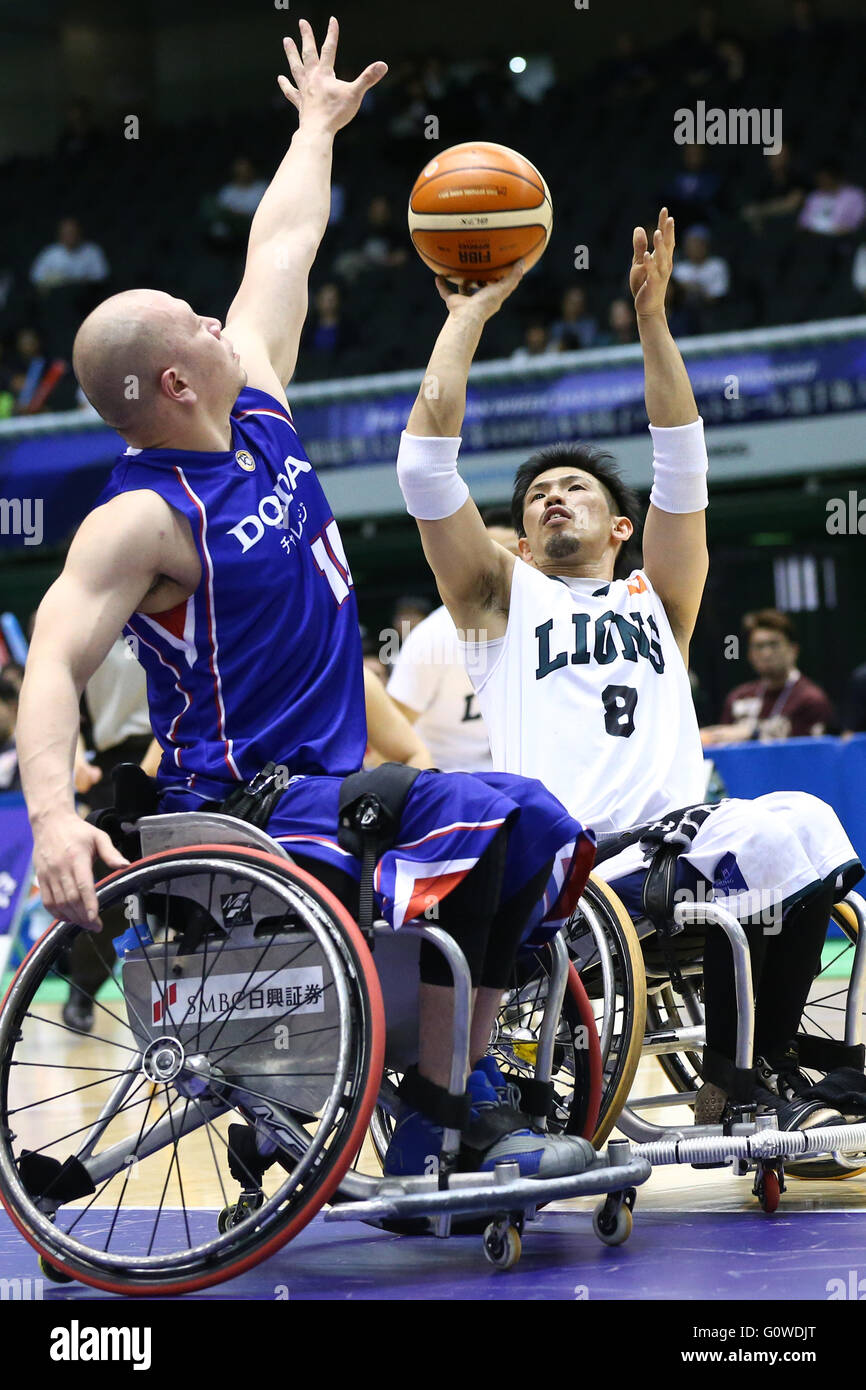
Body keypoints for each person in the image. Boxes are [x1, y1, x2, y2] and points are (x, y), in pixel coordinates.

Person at [16, 20, 593, 1183]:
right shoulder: (143, 518)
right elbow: (52, 658)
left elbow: (280, 244)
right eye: (199, 322)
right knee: (486, 815)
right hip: (247, 805)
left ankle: (455, 1092)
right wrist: (49, 818)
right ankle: (448, 1108)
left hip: (333, 788)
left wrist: (316, 127)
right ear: (174, 379)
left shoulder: (258, 404)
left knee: (530, 820)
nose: (221, 318)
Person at [394, 206, 862, 1126]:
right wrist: (469, 315)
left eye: (574, 488)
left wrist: (653, 323)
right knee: (770, 841)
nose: (552, 498)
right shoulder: (499, 605)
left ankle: (759, 1069)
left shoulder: (661, 600)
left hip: (685, 846)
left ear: (619, 527)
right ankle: (744, 1082)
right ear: (520, 543)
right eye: (537, 495)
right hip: (581, 872)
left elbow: (683, 463)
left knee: (808, 818)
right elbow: (424, 471)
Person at [387, 512, 519, 772]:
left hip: (514, 773)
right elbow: (392, 733)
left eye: (511, 554)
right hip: (443, 776)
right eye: (488, 554)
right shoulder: (433, 636)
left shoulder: (545, 620)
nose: (498, 565)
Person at [703, 609, 835, 745]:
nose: (766, 653)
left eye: (774, 644)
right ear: (750, 654)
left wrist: (752, 734)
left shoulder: (810, 700)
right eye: (759, 646)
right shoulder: (738, 697)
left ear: (793, 649)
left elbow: (810, 751)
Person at [29, 218, 109, 294]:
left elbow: (102, 275)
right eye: (66, 233)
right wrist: (54, 279)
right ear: (60, 234)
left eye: (72, 232)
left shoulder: (92, 251)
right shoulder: (51, 253)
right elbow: (36, 276)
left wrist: (78, 281)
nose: (70, 236)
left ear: (79, 233)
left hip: (87, 295)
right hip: (57, 295)